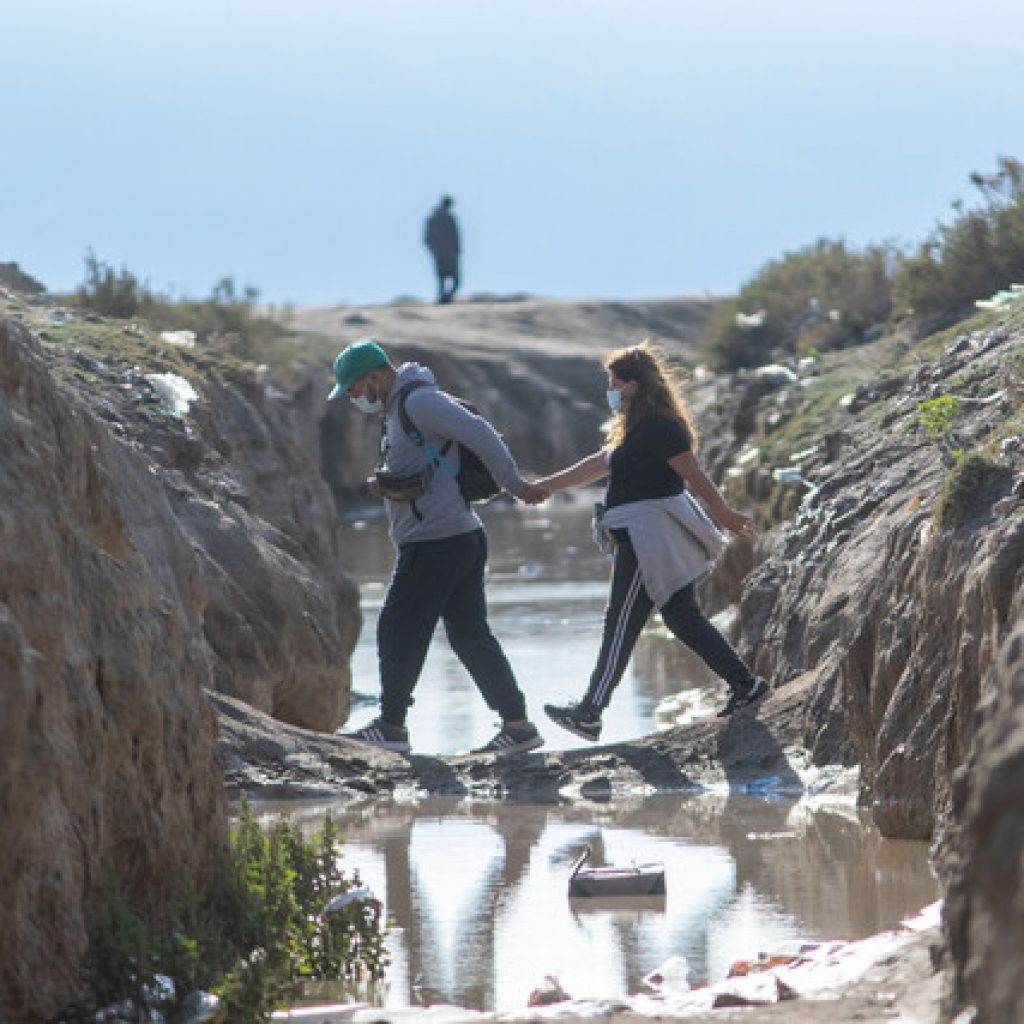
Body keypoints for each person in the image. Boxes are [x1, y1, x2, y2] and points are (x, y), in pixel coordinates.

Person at [535, 341, 768, 742]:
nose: (609, 389)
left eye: (614, 382)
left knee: (620, 621)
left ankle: (590, 711)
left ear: (634, 385)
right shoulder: (636, 429)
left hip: (648, 539)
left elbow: (692, 473)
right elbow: (597, 464)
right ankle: (746, 685)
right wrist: (546, 486)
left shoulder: (660, 427)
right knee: (681, 618)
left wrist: (724, 513)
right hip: (641, 534)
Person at [327, 338, 548, 756]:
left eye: (354, 390)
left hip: (438, 542)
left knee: (395, 628)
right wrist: (387, 483)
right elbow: (424, 465)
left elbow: (481, 433)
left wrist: (515, 485)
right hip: (457, 536)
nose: (355, 399)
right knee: (469, 637)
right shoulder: (399, 407)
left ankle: (391, 727)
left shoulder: (419, 402)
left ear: (373, 377)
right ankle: (518, 726)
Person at [423, 195, 461, 304]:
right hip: (446, 253)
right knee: (449, 278)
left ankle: (445, 297)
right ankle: (444, 298)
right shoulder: (441, 219)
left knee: (445, 278)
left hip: (443, 253)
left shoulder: (433, 218)